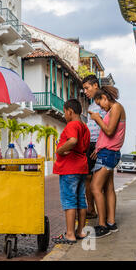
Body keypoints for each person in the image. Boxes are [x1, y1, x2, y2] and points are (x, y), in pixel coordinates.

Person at [88, 86, 126, 238]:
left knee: (94, 188)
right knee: (108, 188)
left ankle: (102, 225)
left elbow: (109, 131)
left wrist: (98, 118)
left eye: (100, 103)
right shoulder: (113, 110)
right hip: (106, 152)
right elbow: (109, 132)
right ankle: (111, 222)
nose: (101, 107)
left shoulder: (116, 107)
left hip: (108, 153)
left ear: (105, 97)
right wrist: (97, 148)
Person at [52, 99, 90, 244]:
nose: (64, 115)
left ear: (70, 111)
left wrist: (60, 150)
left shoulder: (72, 124)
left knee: (69, 201)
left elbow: (73, 140)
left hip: (70, 169)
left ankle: (69, 234)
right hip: (81, 167)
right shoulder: (84, 127)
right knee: (81, 200)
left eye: (64, 112)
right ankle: (80, 231)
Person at [82, 75, 107, 219]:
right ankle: (91, 209)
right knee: (87, 178)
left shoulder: (104, 102)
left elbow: (107, 126)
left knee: (100, 184)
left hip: (100, 145)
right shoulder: (92, 105)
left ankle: (105, 216)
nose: (85, 91)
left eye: (87, 88)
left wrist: (100, 146)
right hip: (90, 145)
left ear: (95, 85)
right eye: (84, 88)